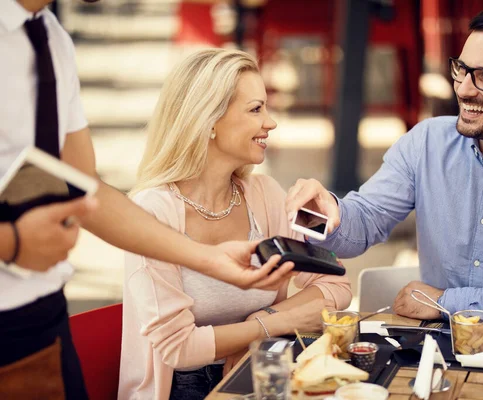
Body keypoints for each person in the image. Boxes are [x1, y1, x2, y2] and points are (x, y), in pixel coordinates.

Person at [0, 1, 293, 399]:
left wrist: (208, 259)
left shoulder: (51, 39)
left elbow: (85, 187)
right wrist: (12, 241)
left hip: (41, 316)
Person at [285, 4, 483, 334]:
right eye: (462, 69)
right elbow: (364, 222)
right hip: (434, 352)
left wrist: (445, 302)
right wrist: (325, 213)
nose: (464, 88)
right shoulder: (426, 143)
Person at [118, 48, 352, 400]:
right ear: (208, 120)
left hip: (263, 368)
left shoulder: (268, 194)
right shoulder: (151, 212)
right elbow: (178, 348)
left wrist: (256, 324)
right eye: (256, 109)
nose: (270, 122)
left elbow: (338, 282)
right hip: (183, 388)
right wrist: (273, 325)